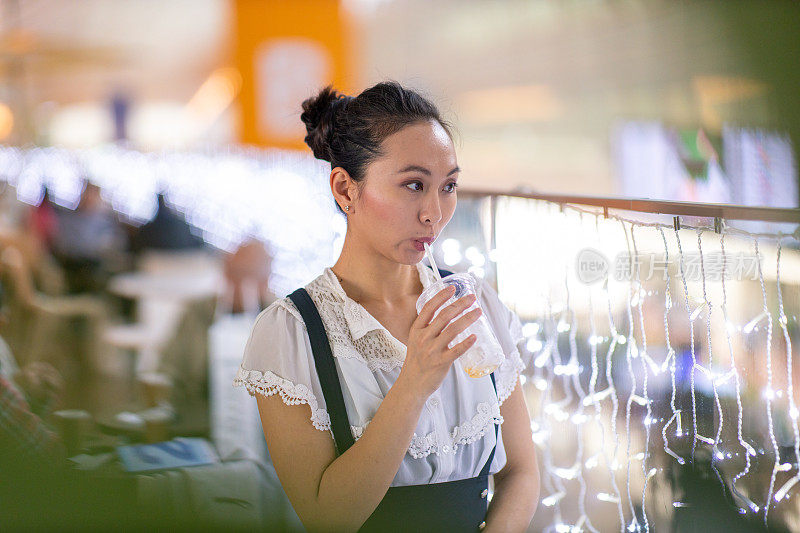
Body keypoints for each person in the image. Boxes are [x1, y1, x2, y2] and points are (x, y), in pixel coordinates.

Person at [234, 81, 539, 532]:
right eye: (414, 185)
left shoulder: (475, 305)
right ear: (345, 189)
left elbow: (522, 472)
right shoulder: (291, 334)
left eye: (448, 186)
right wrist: (413, 384)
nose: (434, 213)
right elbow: (327, 518)